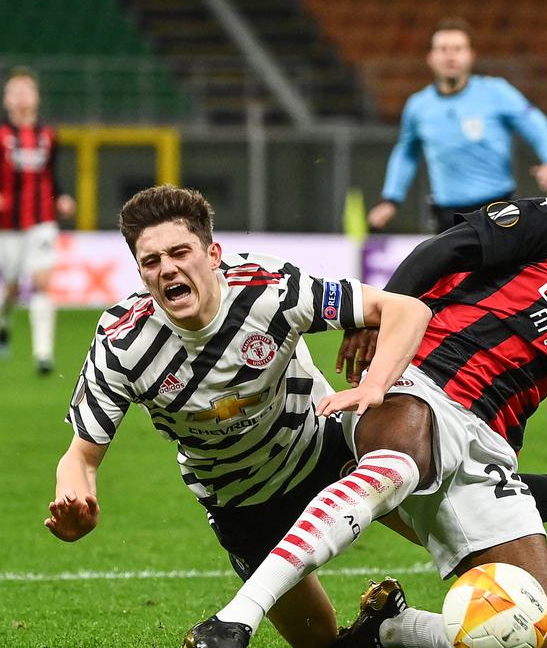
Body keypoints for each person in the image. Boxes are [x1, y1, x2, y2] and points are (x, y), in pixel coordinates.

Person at [189, 192, 547, 648]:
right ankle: (236, 620)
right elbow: (445, 248)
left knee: (544, 636)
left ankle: (390, 630)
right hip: (417, 381)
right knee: (403, 458)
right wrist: (381, 317)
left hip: (487, 451)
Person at [45, 185, 433, 648]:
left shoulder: (269, 288)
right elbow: (80, 459)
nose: (167, 268)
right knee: (321, 643)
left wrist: (373, 385)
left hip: (322, 445)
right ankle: (386, 628)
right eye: (151, 262)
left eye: (179, 252)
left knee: (454, 539)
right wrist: (73, 501)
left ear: (212, 254)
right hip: (241, 501)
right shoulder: (122, 343)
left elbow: (404, 310)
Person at [368, 18, 547, 233]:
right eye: (443, 49)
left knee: (501, 267)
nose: (450, 55)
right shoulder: (418, 106)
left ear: (471, 55)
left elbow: (535, 123)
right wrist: (390, 199)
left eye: (458, 49)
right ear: (430, 58)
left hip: (498, 209)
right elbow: (406, 153)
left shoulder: (496, 92)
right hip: (447, 214)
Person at [0, 68, 76, 374]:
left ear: (36, 96)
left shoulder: (49, 135)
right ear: (6, 99)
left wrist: (62, 197)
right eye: (14, 91)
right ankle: (2, 320)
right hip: (7, 223)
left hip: (42, 219)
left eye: (26, 90)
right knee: (12, 287)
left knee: (42, 283)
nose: (20, 97)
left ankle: (43, 354)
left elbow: (50, 177)